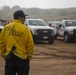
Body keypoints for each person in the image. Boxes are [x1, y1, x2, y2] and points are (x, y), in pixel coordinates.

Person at [0, 10, 34, 75]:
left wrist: (4, 55)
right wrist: (29, 57)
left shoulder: (5, 28)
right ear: (20, 17)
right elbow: (30, 44)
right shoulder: (26, 29)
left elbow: (1, 43)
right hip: (22, 59)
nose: (24, 19)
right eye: (24, 17)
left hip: (9, 58)